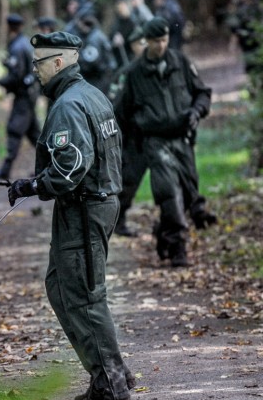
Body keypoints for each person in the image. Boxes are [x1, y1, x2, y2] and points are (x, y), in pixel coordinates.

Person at [7, 31, 133, 400]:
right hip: (95, 204)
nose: (35, 71)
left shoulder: (68, 104)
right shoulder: (92, 94)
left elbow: (71, 168)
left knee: (81, 295)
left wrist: (34, 184)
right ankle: (111, 373)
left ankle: (111, 389)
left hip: (84, 208)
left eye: (40, 63)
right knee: (61, 286)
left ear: (59, 62)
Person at [116, 17, 218, 267]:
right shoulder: (134, 73)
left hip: (183, 139)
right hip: (154, 141)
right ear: (146, 41)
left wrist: (196, 112)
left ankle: (164, 233)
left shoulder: (180, 62)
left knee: (186, 191)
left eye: (164, 40)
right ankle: (178, 248)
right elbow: (121, 112)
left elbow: (201, 93)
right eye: (155, 41)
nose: (160, 45)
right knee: (168, 193)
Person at [0, 14, 41, 180]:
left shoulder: (18, 46)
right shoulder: (24, 44)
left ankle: (6, 169)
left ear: (9, 27)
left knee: (15, 129)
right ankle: (50, 164)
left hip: (24, 95)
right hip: (28, 95)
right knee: (34, 134)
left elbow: (16, 76)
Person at [107, 26, 148, 237]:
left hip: (157, 136)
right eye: (141, 42)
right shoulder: (126, 73)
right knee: (129, 180)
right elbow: (113, 106)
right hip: (131, 137)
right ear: (133, 46)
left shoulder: (165, 68)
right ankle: (118, 220)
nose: (145, 46)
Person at [73, 14, 117, 94]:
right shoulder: (99, 35)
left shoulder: (93, 38)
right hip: (102, 74)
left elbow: (91, 60)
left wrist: (78, 61)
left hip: (97, 76)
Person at [108, 0, 138, 68]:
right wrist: (114, 39)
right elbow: (111, 35)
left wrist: (124, 40)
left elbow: (137, 39)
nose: (120, 7)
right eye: (118, 5)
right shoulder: (117, 20)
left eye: (122, 5)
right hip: (118, 57)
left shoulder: (133, 21)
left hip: (130, 57)